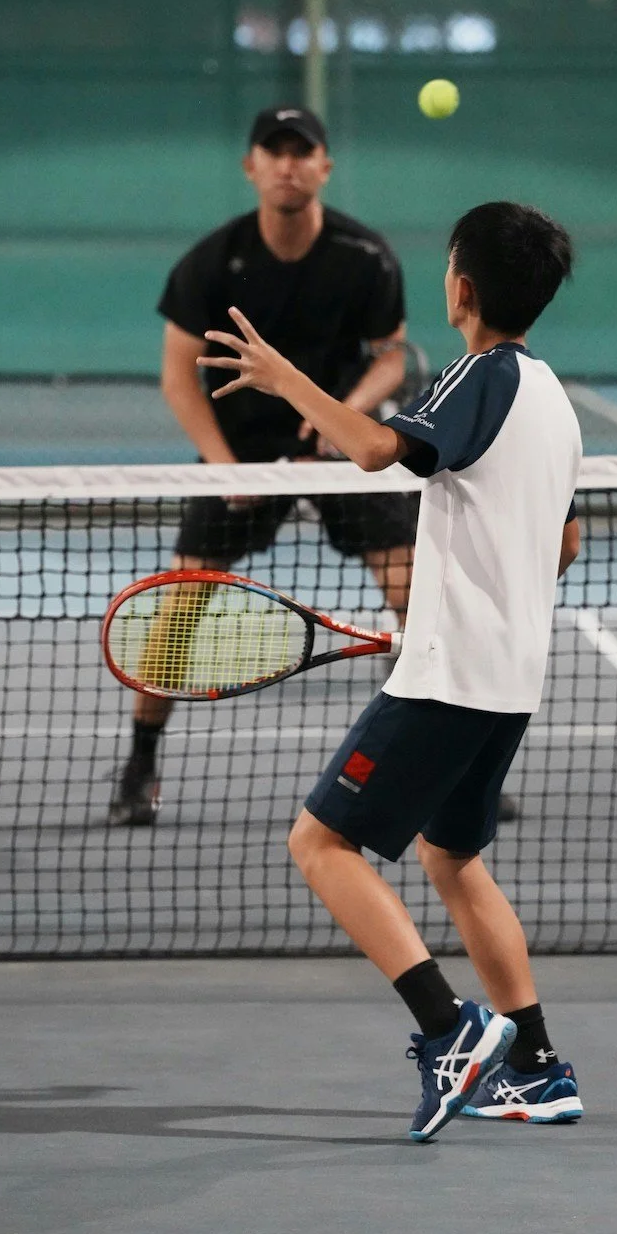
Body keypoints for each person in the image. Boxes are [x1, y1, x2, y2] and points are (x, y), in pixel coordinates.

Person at [199, 201, 584, 1140]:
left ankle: (451, 1033)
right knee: (451, 858)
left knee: (320, 845)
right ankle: (535, 1068)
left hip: (450, 678)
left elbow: (375, 449)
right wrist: (466, 611)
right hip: (507, 677)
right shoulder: (554, 399)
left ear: (463, 288)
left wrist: (287, 379)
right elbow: (563, 544)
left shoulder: (481, 375)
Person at [109, 106, 418, 826]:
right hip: (241, 450)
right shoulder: (212, 263)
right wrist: (224, 469)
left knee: (419, 594)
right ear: (251, 167)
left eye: (301, 151)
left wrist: (343, 414)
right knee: (177, 611)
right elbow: (178, 377)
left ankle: (440, 761)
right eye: (273, 152)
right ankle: (140, 761)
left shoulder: (365, 257)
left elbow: (392, 357)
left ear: (324, 167)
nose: (287, 164)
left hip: (337, 450)